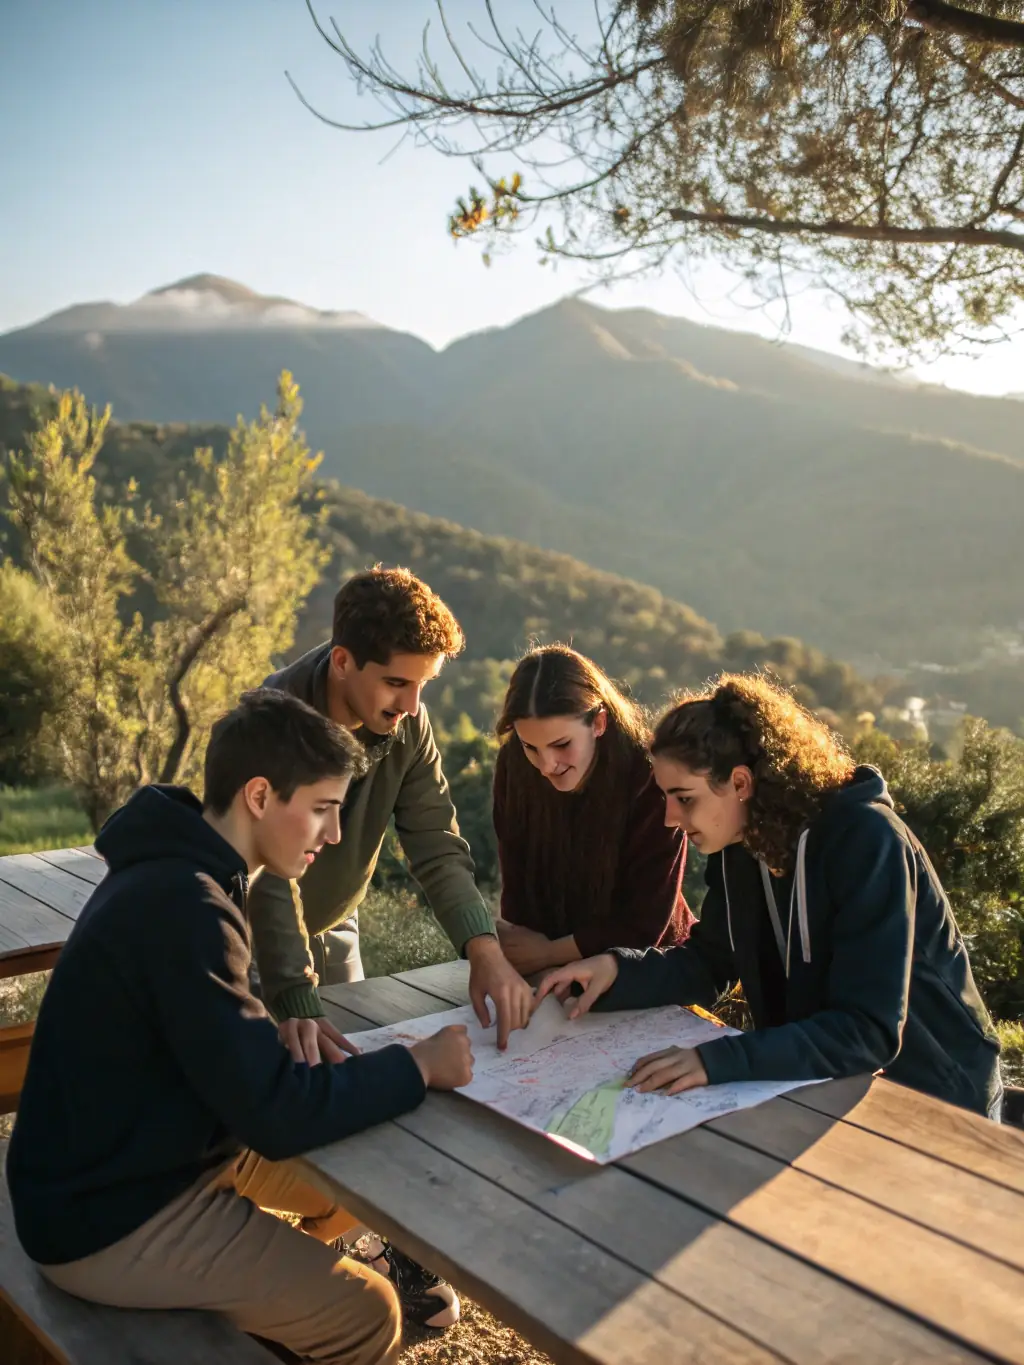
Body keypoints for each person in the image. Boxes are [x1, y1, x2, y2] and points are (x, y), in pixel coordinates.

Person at [6, 690, 475, 1363]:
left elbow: (201, 1047)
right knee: (369, 1313)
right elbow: (276, 1116)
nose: (334, 834)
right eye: (321, 808)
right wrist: (419, 1065)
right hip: (108, 1211)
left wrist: (262, 1039)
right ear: (260, 795)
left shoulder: (186, 875)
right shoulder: (187, 906)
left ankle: (271, 1302)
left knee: (367, 1180)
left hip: (146, 1153)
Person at [536, 674, 1003, 1120]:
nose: (669, 818)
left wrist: (719, 1061)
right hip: (828, 1089)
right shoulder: (742, 842)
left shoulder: (866, 840)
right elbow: (711, 962)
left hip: (938, 1097)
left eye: (684, 798)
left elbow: (868, 1031)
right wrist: (617, 970)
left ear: (740, 783)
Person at [249, 567, 533, 1061]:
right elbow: (270, 875)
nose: (412, 704)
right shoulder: (273, 724)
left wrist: (482, 948)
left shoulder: (408, 719)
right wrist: (295, 995)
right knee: (280, 1092)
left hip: (338, 927)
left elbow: (435, 842)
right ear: (342, 661)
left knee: (354, 1081)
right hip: (252, 939)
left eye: (424, 683)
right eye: (397, 682)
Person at [492, 646, 692, 976]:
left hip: (647, 969)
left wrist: (549, 953)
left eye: (561, 745)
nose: (546, 766)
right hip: (547, 967)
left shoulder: (650, 778)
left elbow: (644, 923)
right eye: (531, 747)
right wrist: (521, 950)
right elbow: (516, 885)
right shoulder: (515, 765)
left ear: (598, 722)